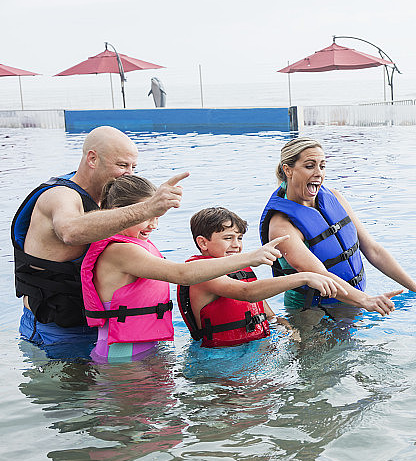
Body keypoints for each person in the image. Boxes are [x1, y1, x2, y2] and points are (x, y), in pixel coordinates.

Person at [11, 126, 187, 349]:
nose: (129, 174)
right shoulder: (60, 196)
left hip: (98, 327)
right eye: (122, 165)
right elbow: (70, 231)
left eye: (133, 167)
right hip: (55, 330)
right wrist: (147, 208)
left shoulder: (111, 199)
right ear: (92, 159)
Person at [80, 176, 289, 363]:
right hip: (121, 355)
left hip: (140, 349)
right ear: (121, 212)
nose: (153, 225)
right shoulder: (120, 251)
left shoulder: (137, 245)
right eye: (148, 215)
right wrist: (250, 258)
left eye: (157, 216)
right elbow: (182, 274)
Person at [259, 137, 416, 316]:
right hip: (312, 316)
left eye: (322, 166)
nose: (318, 173)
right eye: (309, 166)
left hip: (353, 303)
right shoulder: (281, 225)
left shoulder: (334, 198)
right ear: (288, 170)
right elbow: (320, 275)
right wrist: (366, 300)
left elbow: (373, 250)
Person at [177, 207, 348, 348]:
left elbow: (268, 314)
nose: (236, 245)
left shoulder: (240, 270)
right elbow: (247, 292)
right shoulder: (201, 274)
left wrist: (289, 333)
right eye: (228, 238)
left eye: (240, 238)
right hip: (219, 357)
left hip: (253, 348)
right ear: (203, 243)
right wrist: (304, 277)